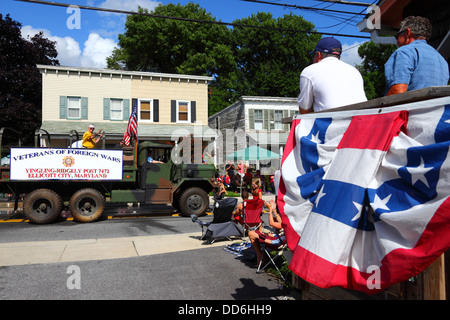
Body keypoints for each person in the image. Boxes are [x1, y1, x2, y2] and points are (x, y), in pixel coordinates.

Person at [297, 37, 367, 114]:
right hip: (361, 121)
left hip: (332, 123)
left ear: (319, 55)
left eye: (314, 55)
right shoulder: (355, 71)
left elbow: (305, 109)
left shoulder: (309, 71)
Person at [385, 16, 449, 96]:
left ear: (408, 32)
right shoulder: (441, 60)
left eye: (397, 36)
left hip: (410, 108)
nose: (397, 41)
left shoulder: (404, 52)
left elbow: (397, 91)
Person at [248, 200, 283, 267]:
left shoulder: (289, 224)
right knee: (263, 233)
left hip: (277, 242)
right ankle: (261, 255)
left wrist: (270, 209)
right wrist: (274, 210)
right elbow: (280, 223)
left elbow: (271, 223)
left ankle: (260, 255)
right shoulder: (293, 223)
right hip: (280, 238)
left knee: (251, 233)